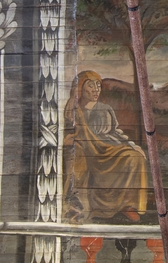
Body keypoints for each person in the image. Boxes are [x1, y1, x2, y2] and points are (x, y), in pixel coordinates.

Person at [63, 70, 148, 223]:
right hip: (87, 148)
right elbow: (68, 132)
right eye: (91, 85)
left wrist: (131, 145)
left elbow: (115, 131)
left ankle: (127, 205)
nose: (96, 89)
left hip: (107, 146)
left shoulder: (105, 109)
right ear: (80, 88)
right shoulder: (73, 110)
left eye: (98, 85)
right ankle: (80, 205)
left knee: (135, 157)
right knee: (79, 156)